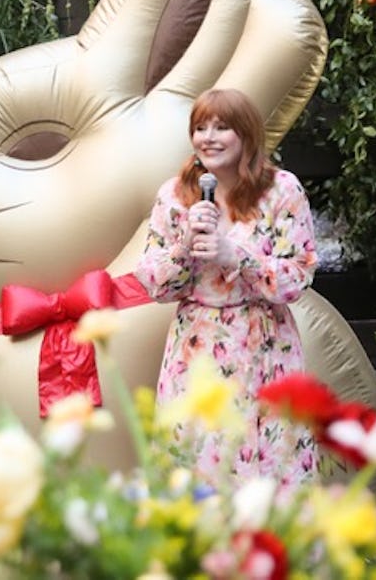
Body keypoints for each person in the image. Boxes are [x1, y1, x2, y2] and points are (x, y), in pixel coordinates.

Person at [135, 88, 319, 492]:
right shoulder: (175, 194)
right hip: (196, 346)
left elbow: (299, 274)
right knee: (197, 461)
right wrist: (184, 247)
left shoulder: (281, 190)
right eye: (200, 128)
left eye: (222, 127)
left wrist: (235, 255)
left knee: (269, 464)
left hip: (264, 344)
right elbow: (152, 281)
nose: (209, 138)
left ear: (247, 134)